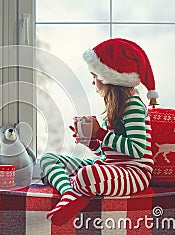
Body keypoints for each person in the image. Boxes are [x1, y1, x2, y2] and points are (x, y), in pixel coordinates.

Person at [40, 38, 159, 226]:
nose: (93, 82)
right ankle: (70, 193)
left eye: (95, 76)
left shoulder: (133, 105)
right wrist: (92, 143)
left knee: (87, 175)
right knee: (47, 159)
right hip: (112, 165)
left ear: (110, 78)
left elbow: (136, 150)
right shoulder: (113, 109)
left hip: (135, 173)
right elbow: (108, 154)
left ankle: (72, 190)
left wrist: (101, 134)